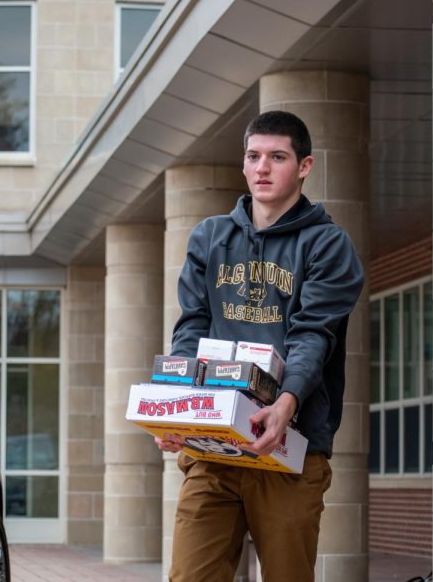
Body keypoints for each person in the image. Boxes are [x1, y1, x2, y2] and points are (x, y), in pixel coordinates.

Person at [156, 110, 365, 581]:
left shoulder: (327, 245)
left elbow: (314, 335)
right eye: (253, 156)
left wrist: (285, 404)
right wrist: (176, 411)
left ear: (304, 166)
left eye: (277, 157)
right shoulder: (210, 237)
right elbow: (192, 326)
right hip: (214, 449)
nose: (262, 168)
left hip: (289, 449)